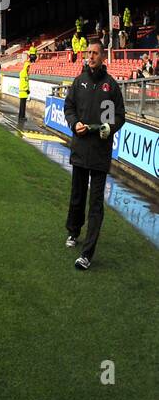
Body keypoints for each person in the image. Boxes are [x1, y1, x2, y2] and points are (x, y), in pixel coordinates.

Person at [63, 41, 124, 269]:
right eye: (88, 53)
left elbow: (119, 115)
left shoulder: (111, 86)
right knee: (77, 196)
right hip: (80, 149)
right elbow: (68, 107)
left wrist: (111, 127)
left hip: (100, 153)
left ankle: (87, 254)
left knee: (95, 204)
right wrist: (74, 122)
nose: (90, 56)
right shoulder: (79, 83)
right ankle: (73, 231)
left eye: (95, 53)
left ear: (102, 57)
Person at [18, 55, 32, 122]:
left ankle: (22, 116)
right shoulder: (23, 73)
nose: (29, 68)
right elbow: (23, 82)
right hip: (23, 91)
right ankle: (21, 117)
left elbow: (26, 82)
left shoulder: (25, 73)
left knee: (23, 105)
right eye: (28, 67)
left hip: (24, 91)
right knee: (22, 105)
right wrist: (26, 89)